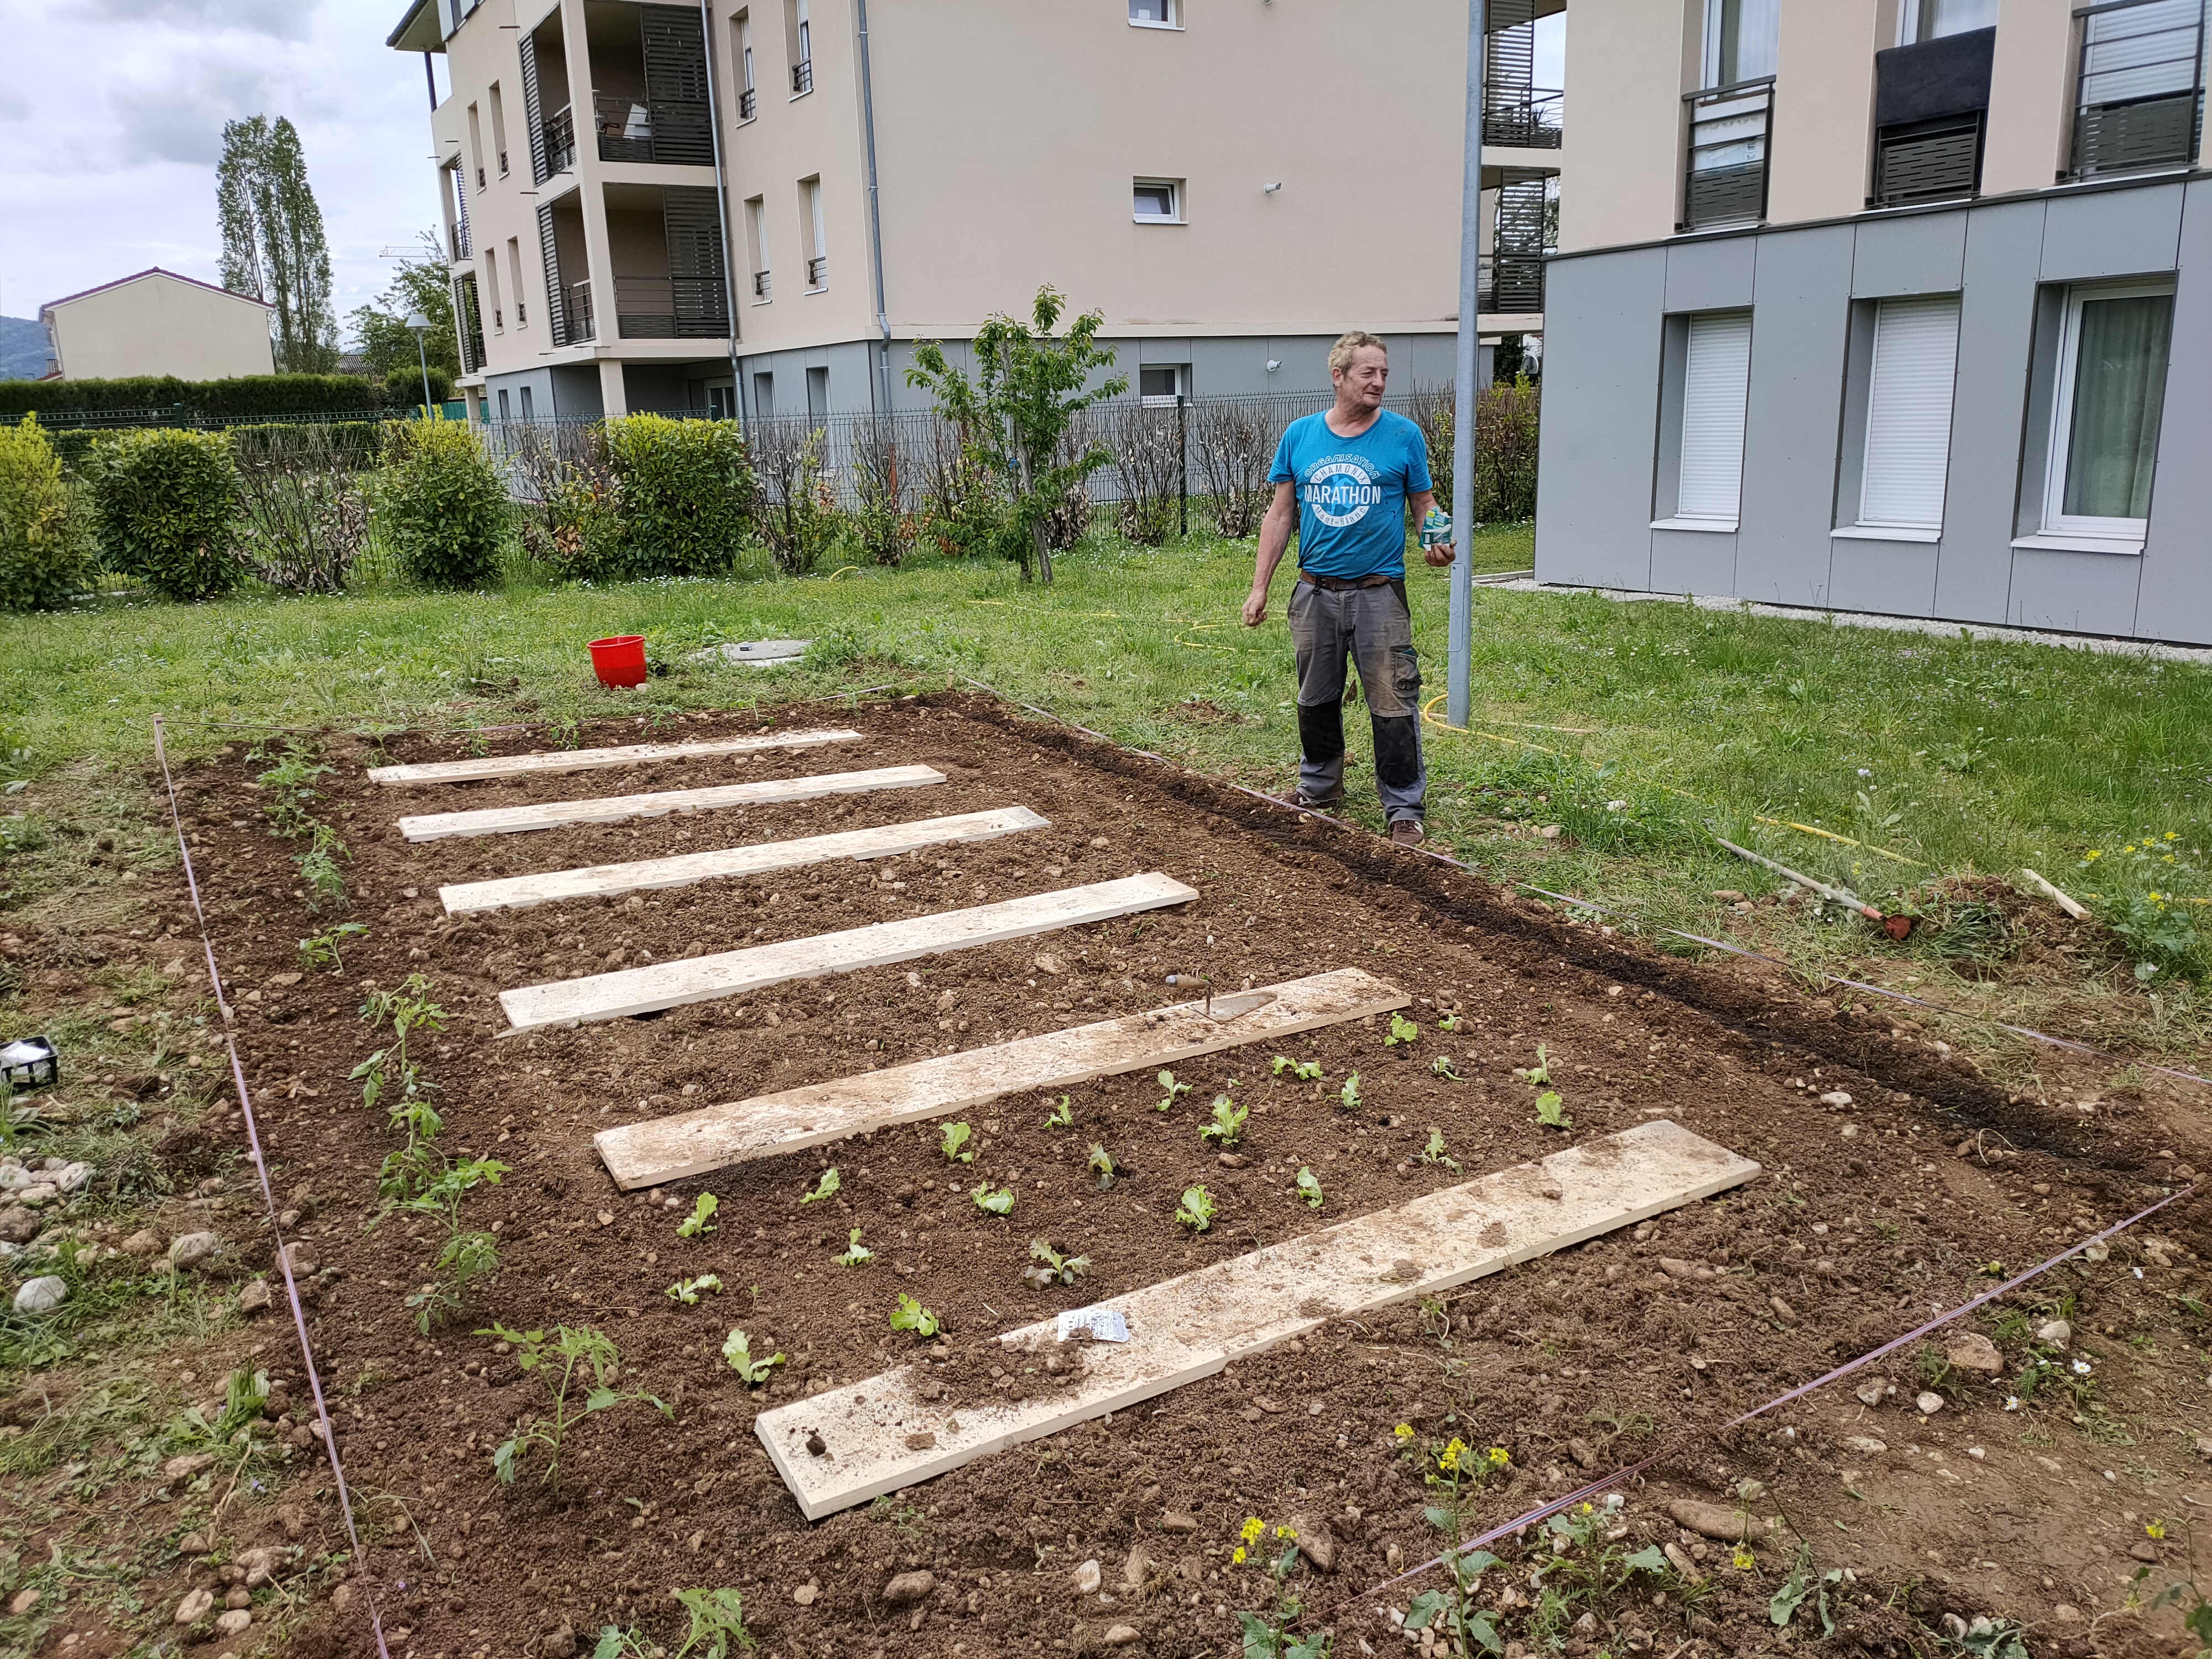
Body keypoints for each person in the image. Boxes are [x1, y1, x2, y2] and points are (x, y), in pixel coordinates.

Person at [1240, 331, 1454, 846]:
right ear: (1339, 376)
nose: (1379, 382)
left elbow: (1424, 502)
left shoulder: (1404, 436)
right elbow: (1281, 513)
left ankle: (1403, 806)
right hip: (1314, 592)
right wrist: (1259, 587)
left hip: (1380, 592)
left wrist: (1437, 537)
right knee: (1315, 696)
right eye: (1369, 373)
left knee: (1393, 699)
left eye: (1384, 373)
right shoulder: (1300, 435)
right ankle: (1319, 788)